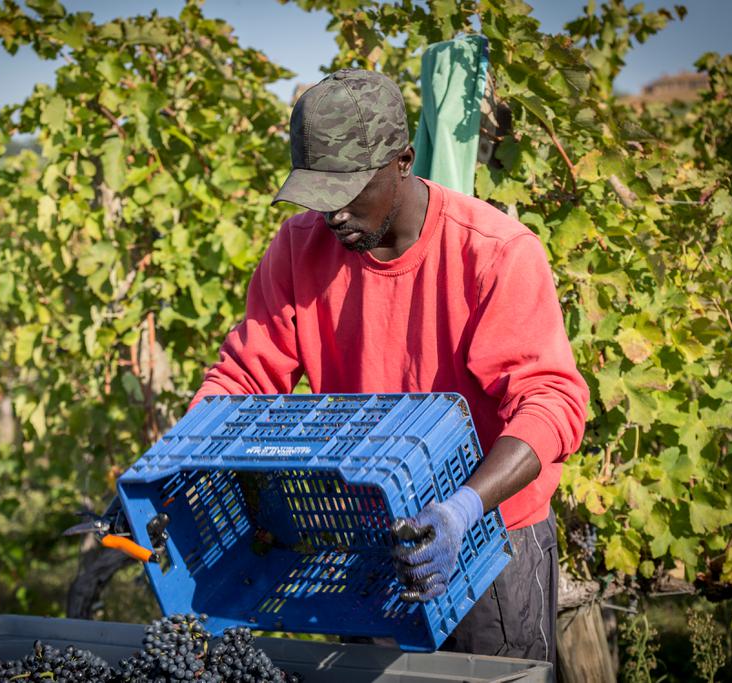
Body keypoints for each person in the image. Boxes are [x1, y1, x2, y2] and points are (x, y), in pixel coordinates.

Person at [189, 68, 588, 667]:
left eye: (348, 191)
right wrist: (176, 464)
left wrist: (461, 510)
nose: (333, 215)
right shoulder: (298, 251)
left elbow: (551, 403)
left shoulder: (495, 253)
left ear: (403, 161)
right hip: (368, 542)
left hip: (490, 540)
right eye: (318, 196)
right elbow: (243, 378)